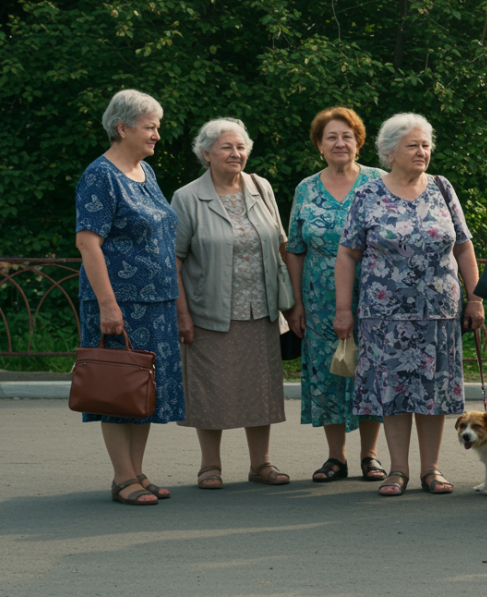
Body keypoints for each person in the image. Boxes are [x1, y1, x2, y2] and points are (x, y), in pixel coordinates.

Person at [337, 112, 485, 496]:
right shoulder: (368, 194)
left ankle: (431, 469)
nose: (422, 151)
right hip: (384, 315)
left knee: (433, 392)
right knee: (394, 392)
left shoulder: (442, 188)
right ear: (390, 152)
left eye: (426, 145)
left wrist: (476, 298)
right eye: (413, 145)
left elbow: (463, 246)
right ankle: (397, 470)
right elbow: (348, 253)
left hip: (438, 313)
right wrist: (343, 309)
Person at [74, 89, 185, 506]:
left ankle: (136, 471)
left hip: (156, 304)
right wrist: (107, 305)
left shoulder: (145, 171)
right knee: (119, 386)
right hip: (121, 303)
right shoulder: (100, 175)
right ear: (122, 128)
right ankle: (123, 478)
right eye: (150, 127)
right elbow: (88, 243)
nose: (157, 135)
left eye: (158, 127)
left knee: (143, 389)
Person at [171, 118, 289, 489]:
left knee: (260, 388)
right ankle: (210, 466)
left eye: (240, 147)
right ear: (206, 153)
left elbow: (281, 244)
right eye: (227, 147)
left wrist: (292, 304)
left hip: (262, 309)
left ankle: (261, 464)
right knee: (211, 388)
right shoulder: (187, 197)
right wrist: (182, 314)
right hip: (209, 311)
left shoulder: (261, 187)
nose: (236, 153)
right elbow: (173, 260)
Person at [284, 107, 387, 483]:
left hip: (373, 294)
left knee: (369, 371)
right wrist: (296, 303)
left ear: (359, 142)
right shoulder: (306, 189)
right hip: (319, 299)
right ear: (319, 145)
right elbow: (295, 248)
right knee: (329, 372)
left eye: (347, 136)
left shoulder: (379, 182)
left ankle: (370, 455)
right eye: (331, 137)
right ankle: (335, 457)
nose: (340, 143)